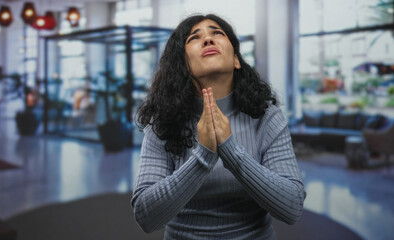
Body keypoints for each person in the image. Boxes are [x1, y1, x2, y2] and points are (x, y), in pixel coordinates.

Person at [131, 14, 306, 240]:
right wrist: (203, 155)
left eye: (217, 33)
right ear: (184, 64)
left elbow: (292, 208)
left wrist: (230, 150)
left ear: (236, 59)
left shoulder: (266, 116)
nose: (208, 40)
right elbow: (146, 216)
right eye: (195, 37)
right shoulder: (163, 121)